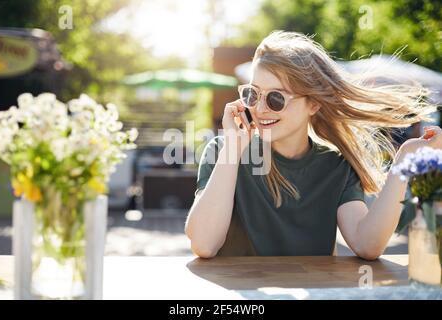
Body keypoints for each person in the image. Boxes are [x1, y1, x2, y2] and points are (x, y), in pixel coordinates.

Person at [185, 31, 440, 260]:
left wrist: (404, 160)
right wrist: (233, 149)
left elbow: (367, 245)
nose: (260, 109)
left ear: (313, 104)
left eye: (276, 98)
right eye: (253, 94)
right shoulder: (223, 151)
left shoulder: (336, 167)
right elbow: (204, 244)